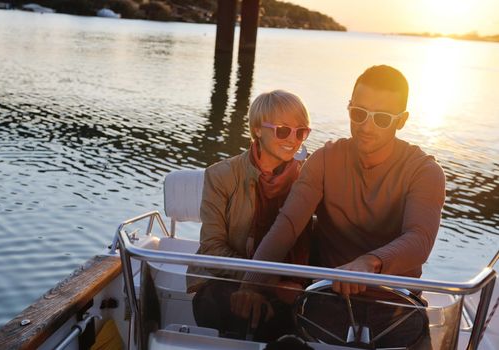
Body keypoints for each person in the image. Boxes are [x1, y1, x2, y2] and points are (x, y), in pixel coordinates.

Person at [233, 65, 445, 348]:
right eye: (358, 113)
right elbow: (287, 226)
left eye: (381, 119)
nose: (366, 126)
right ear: (349, 107)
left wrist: (369, 263)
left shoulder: (425, 171)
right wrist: (250, 284)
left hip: (396, 305)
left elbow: (420, 238)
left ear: (402, 120)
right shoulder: (323, 160)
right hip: (328, 298)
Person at [186, 89, 312, 341]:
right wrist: (266, 282)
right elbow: (212, 249)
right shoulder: (221, 175)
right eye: (283, 130)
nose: (294, 139)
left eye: (301, 132)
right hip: (224, 278)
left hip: (289, 284)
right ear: (257, 129)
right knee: (241, 307)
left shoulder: (310, 178)